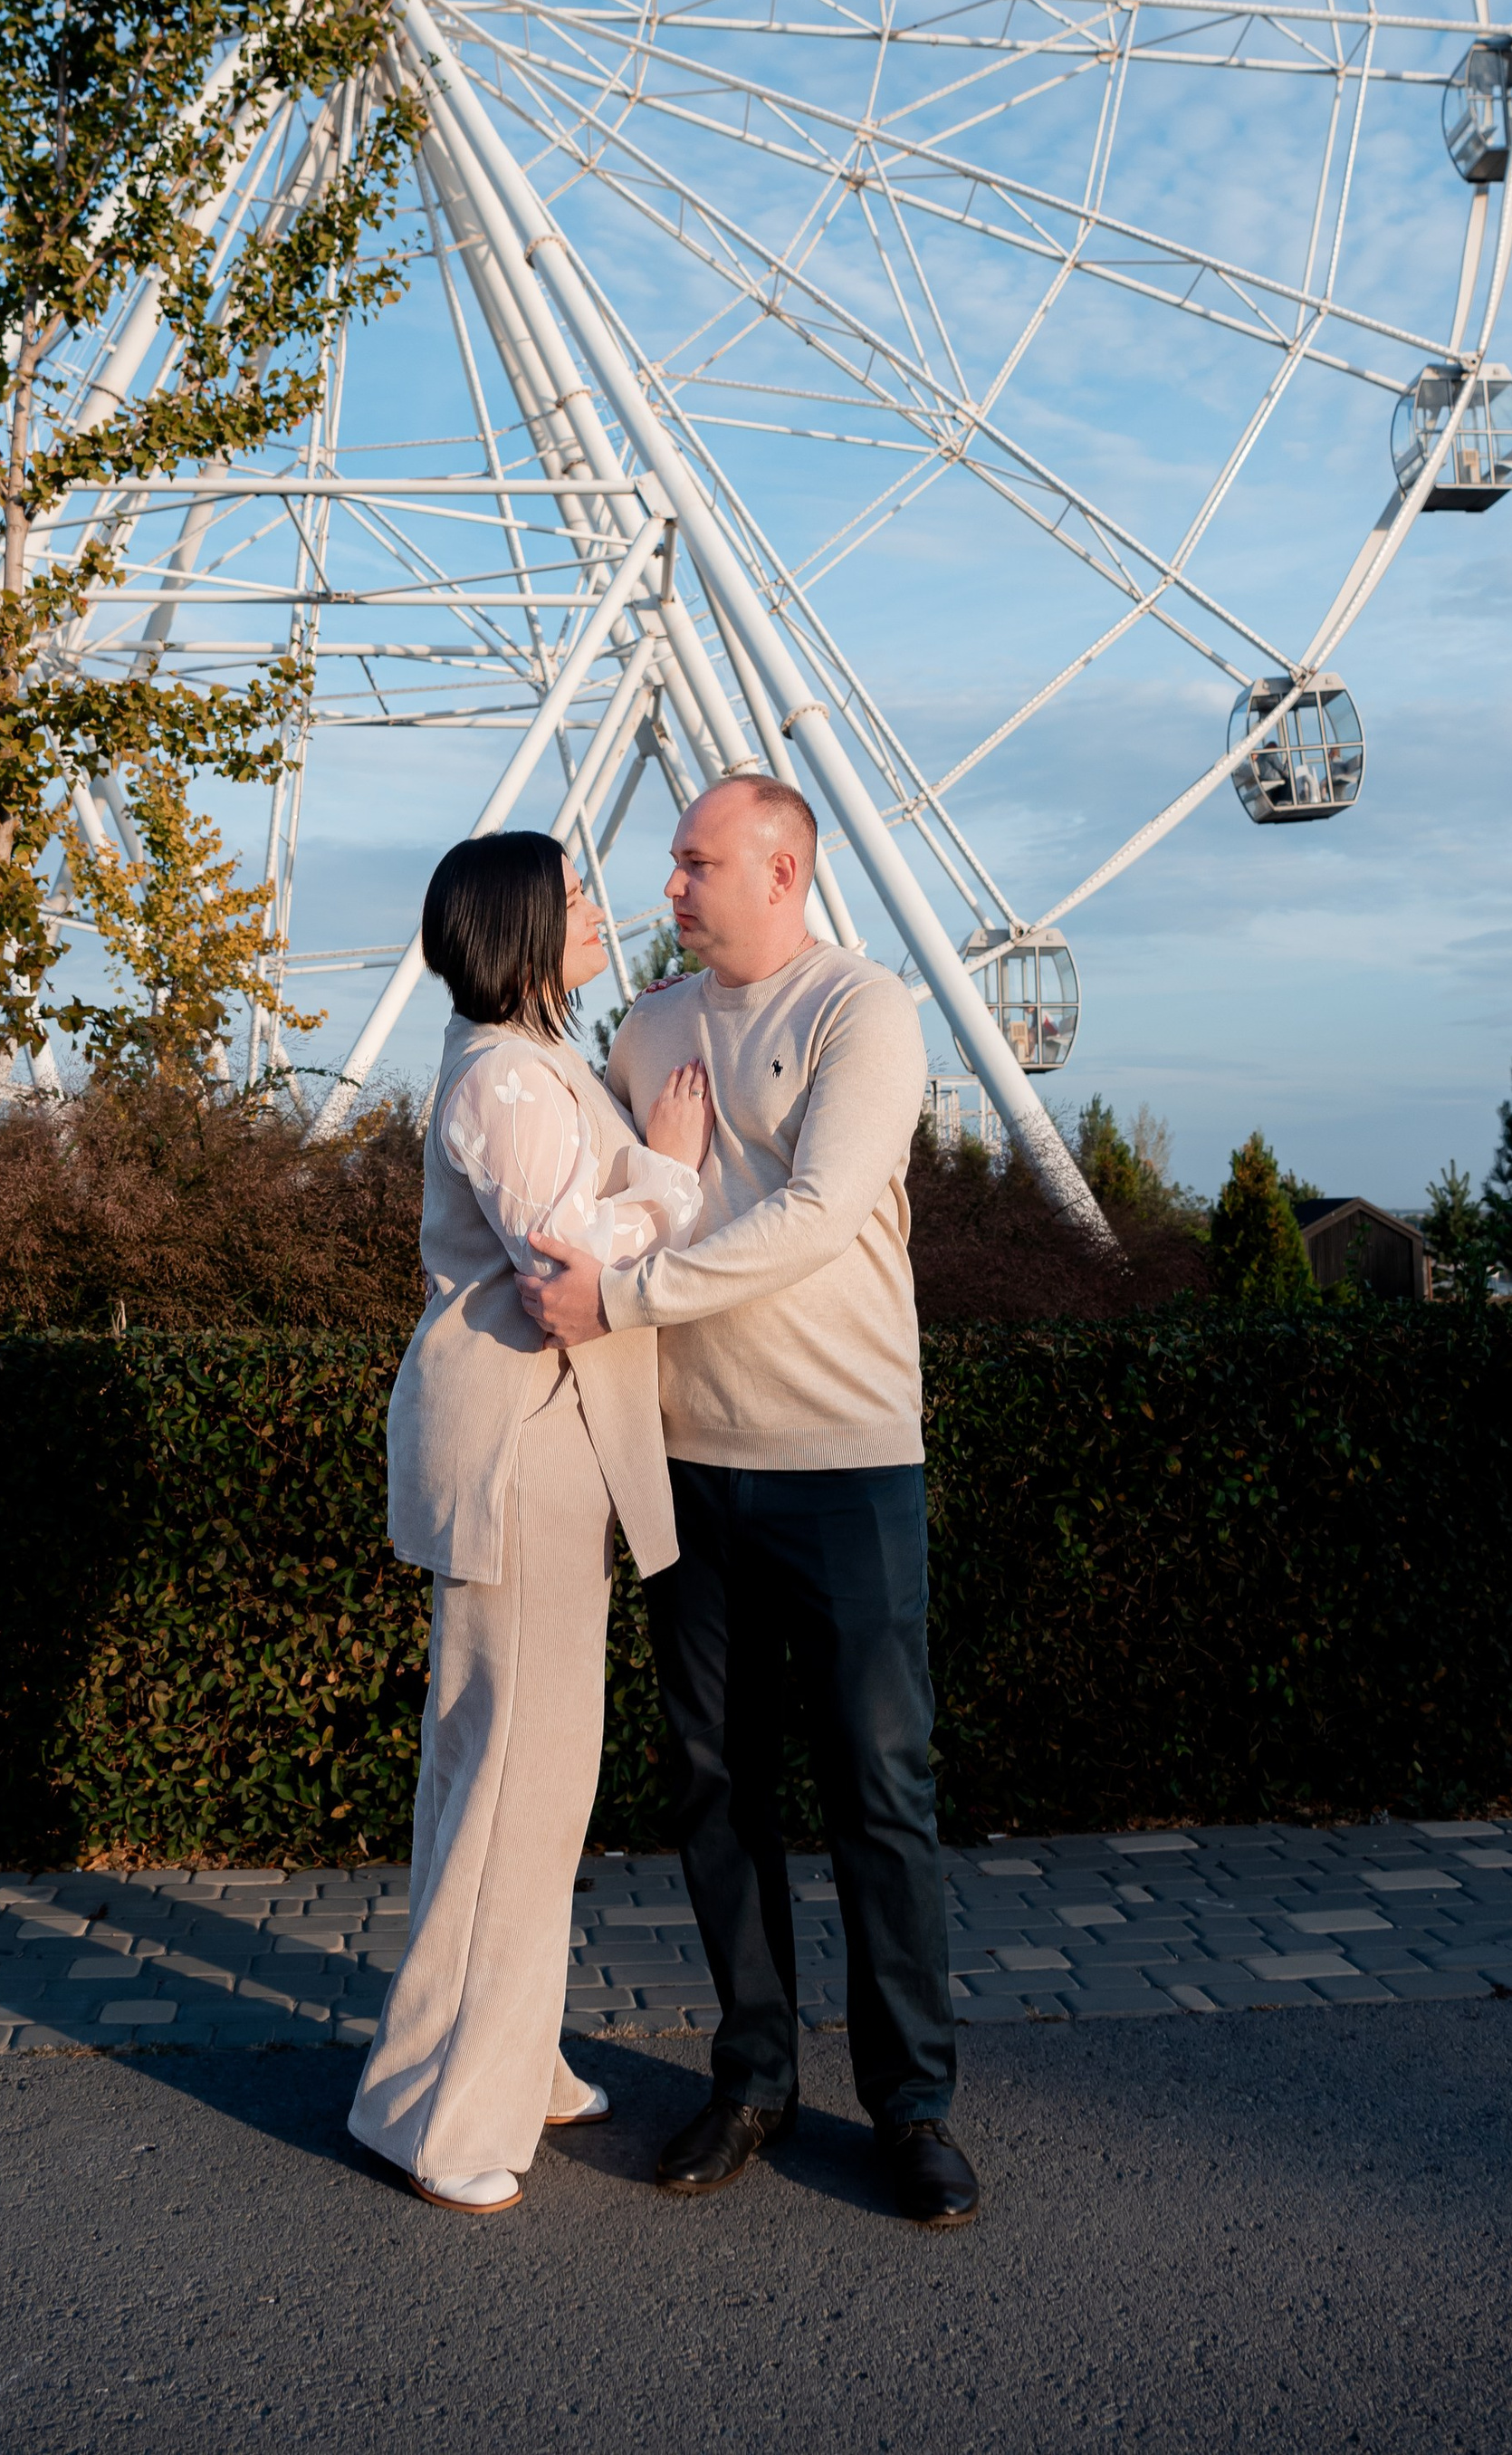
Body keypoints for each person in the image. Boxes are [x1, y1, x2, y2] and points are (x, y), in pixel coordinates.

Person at [519, 774, 979, 2230]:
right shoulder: (647, 1024)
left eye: (698, 861)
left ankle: (912, 2109)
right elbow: (603, 1196)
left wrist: (627, 1294)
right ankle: (755, 2074)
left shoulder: (867, 1013)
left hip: (845, 1463)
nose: (672, 885)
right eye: (672, 864)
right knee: (716, 1789)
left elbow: (819, 1211)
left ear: (784, 871)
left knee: (878, 1795)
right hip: (686, 1465)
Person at [349, 830, 712, 2213]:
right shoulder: (503, 1077)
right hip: (521, 1447)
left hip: (547, 1439)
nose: (599, 909)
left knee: (519, 1776)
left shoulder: (532, 1061)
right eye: (571, 896)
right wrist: (669, 1171)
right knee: (516, 1783)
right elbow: (565, 1249)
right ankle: (441, 2117)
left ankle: (506, 2053)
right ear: (512, 926)